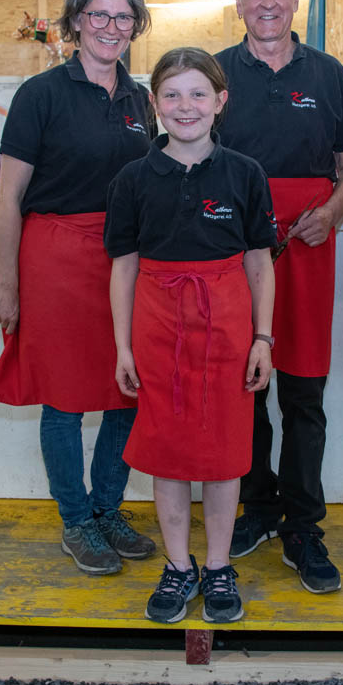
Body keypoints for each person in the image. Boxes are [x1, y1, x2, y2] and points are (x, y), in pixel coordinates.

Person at [0, 0, 157, 576]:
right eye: (99, 14)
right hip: (55, 258)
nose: (112, 27)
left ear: (135, 25)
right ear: (77, 21)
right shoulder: (41, 95)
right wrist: (8, 284)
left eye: (123, 16)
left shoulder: (141, 99)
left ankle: (107, 509)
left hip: (125, 259)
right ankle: (76, 520)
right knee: (63, 400)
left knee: (127, 388)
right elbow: (8, 199)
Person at [104, 47, 277, 624]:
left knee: (226, 454)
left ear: (220, 101)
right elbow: (124, 267)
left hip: (228, 327)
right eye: (172, 95)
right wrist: (123, 346)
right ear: (154, 104)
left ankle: (220, 566)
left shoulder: (245, 174)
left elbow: (260, 262)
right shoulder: (132, 180)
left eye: (199, 94)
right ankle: (179, 566)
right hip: (157, 328)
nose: (186, 106)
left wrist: (262, 338)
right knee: (169, 453)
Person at [213, 0, 343, 595]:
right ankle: (257, 506)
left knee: (303, 392)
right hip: (234, 247)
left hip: (308, 243)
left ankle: (303, 524)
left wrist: (331, 213)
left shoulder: (328, 74)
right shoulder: (214, 72)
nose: (268, 1)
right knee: (243, 387)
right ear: (238, 1)